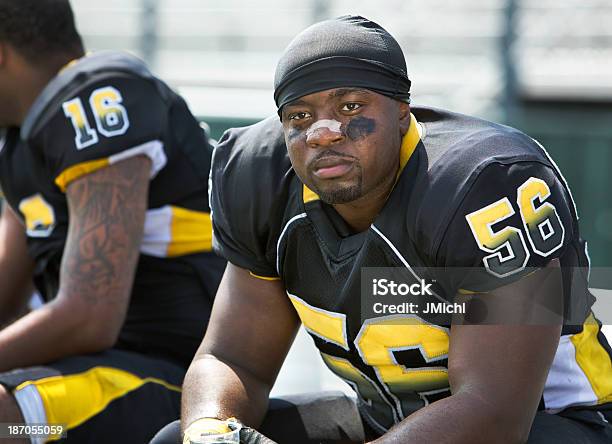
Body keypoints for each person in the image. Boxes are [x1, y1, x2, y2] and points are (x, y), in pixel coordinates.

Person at [152, 15, 612, 444]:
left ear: (402, 113)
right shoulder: (262, 178)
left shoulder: (487, 181)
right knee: (183, 437)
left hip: (555, 422)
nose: (324, 132)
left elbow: (495, 412)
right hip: (382, 420)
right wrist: (213, 430)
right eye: (300, 116)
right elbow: (234, 360)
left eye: (351, 106)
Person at [0, 0, 225, 442]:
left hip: (179, 385)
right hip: (94, 370)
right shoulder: (20, 140)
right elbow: (6, 293)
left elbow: (89, 315)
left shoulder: (94, 98)